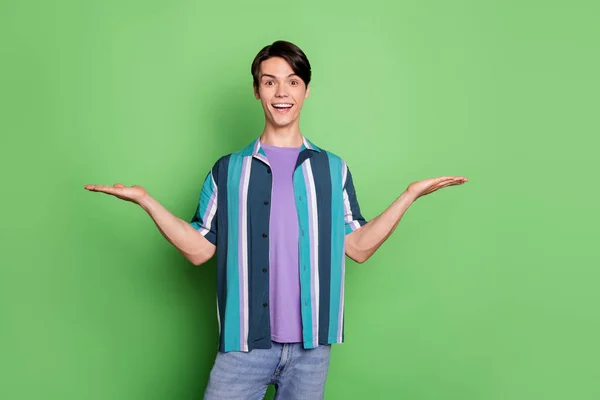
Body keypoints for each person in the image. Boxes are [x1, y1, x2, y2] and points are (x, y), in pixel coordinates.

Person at [85, 40, 467, 400]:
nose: (282, 92)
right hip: (245, 346)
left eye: (293, 81)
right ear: (257, 90)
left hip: (312, 350)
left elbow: (358, 246)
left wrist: (409, 195)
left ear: (306, 90)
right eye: (270, 82)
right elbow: (200, 249)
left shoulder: (333, 169)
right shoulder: (228, 170)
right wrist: (146, 201)